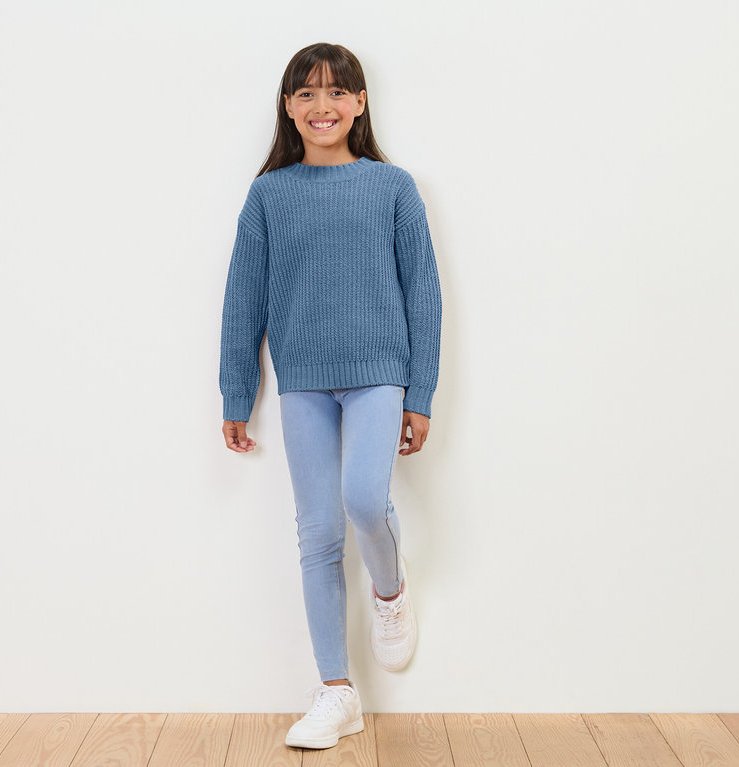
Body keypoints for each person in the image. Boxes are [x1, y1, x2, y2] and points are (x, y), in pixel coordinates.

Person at [218, 41, 442, 750]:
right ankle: (336, 690)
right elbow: (242, 299)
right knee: (317, 532)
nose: (323, 106)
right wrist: (236, 389)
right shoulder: (269, 195)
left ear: (360, 103)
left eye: (337, 92)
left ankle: (389, 589)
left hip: (380, 371)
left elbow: (425, 296)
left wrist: (422, 390)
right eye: (307, 94)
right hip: (303, 379)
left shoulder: (394, 187)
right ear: (288, 107)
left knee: (363, 501)